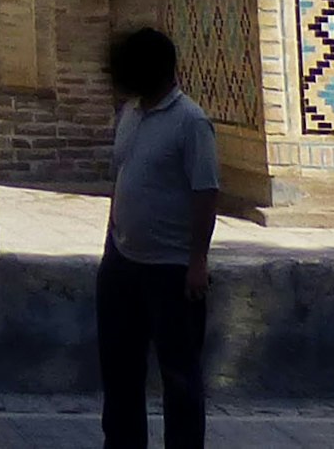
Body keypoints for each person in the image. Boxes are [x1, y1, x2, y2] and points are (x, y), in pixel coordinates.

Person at [96, 26, 218, 449]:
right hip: (123, 263)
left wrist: (197, 261)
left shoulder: (191, 122)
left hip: (171, 268)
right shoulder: (130, 114)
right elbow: (124, 176)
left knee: (179, 375)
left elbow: (205, 191)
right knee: (120, 369)